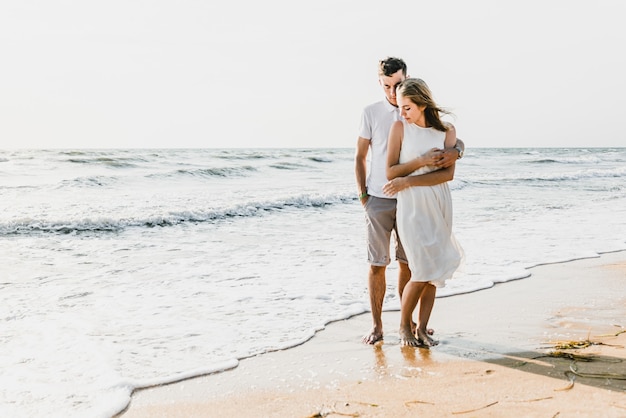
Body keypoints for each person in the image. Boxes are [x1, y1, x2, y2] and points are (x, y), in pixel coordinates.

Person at [355, 57, 464, 345]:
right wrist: (363, 195)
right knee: (382, 264)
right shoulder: (378, 115)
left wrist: (458, 150)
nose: (392, 93)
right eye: (387, 86)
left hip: (427, 201)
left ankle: (415, 324)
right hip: (386, 199)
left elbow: (447, 155)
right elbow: (363, 157)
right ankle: (382, 326)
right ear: (379, 83)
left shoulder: (433, 122)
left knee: (418, 265)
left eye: (397, 86)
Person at [384, 78, 464, 347]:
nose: (402, 113)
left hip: (438, 201)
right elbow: (391, 172)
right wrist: (420, 162)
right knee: (420, 268)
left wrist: (409, 181)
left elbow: (448, 175)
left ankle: (423, 328)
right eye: (400, 107)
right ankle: (404, 328)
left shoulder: (446, 131)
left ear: (421, 103)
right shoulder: (399, 128)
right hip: (412, 207)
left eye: (407, 107)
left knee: (434, 269)